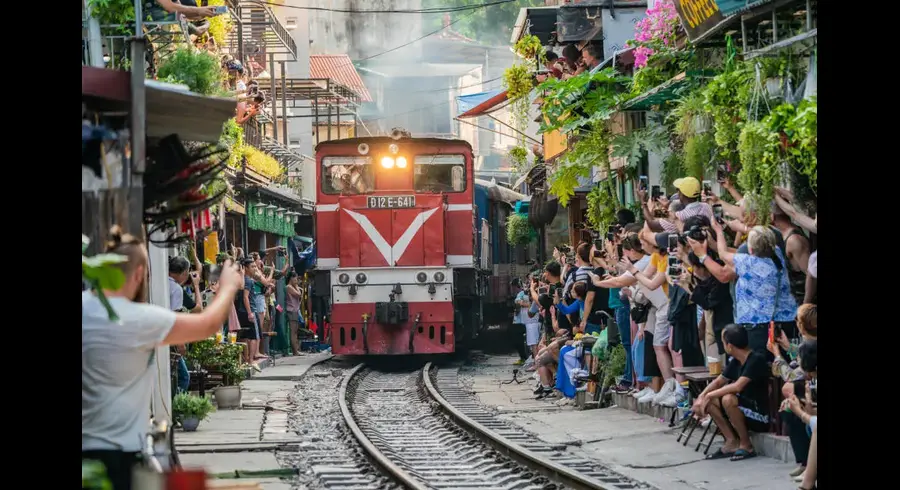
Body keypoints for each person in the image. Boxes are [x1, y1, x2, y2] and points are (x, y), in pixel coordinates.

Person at [83, 226, 242, 490]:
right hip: (121, 449)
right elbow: (207, 324)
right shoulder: (139, 318)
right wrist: (227, 287)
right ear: (138, 274)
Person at [690, 221, 799, 358]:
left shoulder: (748, 262)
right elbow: (739, 250)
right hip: (785, 321)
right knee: (788, 361)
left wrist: (704, 252)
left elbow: (723, 258)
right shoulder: (777, 254)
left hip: (759, 325)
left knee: (763, 367)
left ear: (751, 250)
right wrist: (715, 243)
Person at [693, 324, 770, 461]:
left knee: (728, 399)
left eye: (723, 342)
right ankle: (731, 442)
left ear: (729, 345)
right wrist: (702, 396)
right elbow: (718, 382)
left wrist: (710, 394)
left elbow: (738, 386)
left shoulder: (755, 359)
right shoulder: (735, 361)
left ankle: (746, 445)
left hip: (759, 414)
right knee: (710, 401)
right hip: (742, 409)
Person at [589, 234, 647, 393]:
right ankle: (633, 380)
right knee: (631, 345)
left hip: (630, 305)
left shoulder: (640, 263)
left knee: (631, 344)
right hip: (626, 305)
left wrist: (597, 282)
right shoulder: (635, 263)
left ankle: (632, 380)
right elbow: (618, 275)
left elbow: (619, 280)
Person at [770, 303, 817, 478]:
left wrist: (776, 354)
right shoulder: (809, 343)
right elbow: (801, 357)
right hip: (809, 392)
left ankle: (809, 467)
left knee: (792, 408)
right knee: (788, 409)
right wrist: (788, 346)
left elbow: (792, 375)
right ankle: (805, 463)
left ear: (802, 325)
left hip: (812, 395)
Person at [771, 206, 811, 305]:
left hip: (806, 304)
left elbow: (811, 274)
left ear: (772, 216)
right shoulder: (783, 235)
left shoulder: (794, 240)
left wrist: (806, 306)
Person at [286, 271, 303, 356]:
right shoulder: (289, 287)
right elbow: (298, 294)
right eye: (295, 278)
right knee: (293, 331)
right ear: (291, 278)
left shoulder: (291, 286)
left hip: (295, 310)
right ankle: (295, 351)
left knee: (295, 331)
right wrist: (296, 286)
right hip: (291, 310)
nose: (296, 280)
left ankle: (296, 350)